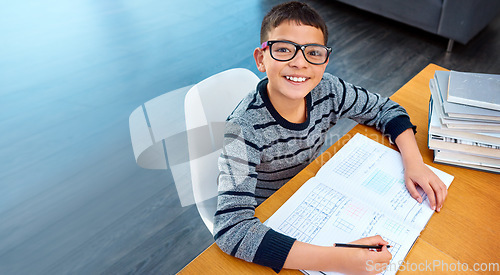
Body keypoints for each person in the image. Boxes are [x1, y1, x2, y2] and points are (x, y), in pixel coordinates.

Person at [213, 1, 447, 273]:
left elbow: (385, 109)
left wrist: (414, 162)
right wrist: (338, 259)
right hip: (272, 213)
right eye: (284, 49)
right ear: (261, 58)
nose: (299, 62)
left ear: (324, 60)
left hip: (316, 189)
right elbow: (231, 228)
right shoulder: (242, 128)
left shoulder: (328, 89)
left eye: (313, 52)